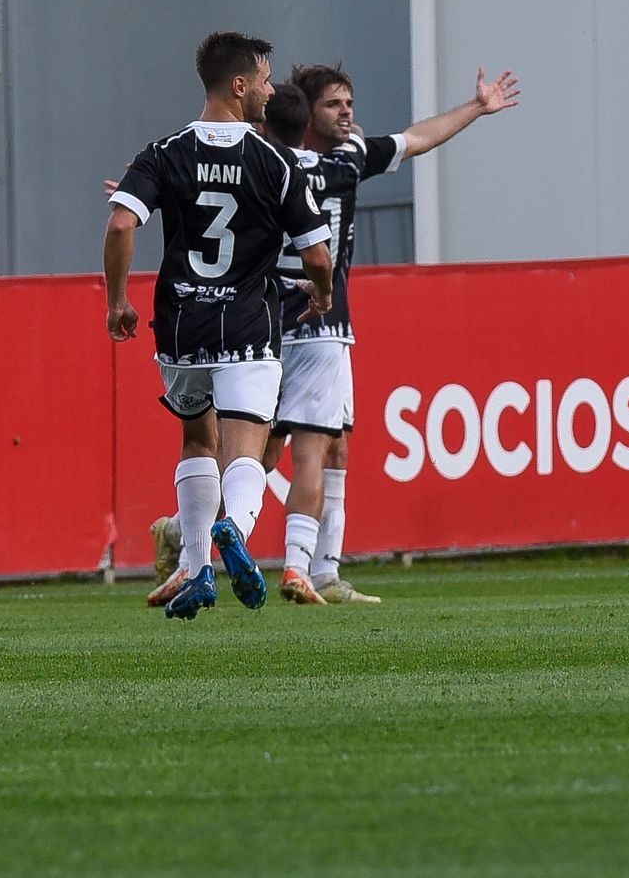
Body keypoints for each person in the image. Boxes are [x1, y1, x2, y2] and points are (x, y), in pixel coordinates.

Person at [145, 61, 520, 607]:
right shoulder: (337, 164)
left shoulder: (256, 160)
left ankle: (191, 543)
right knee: (312, 451)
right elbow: (417, 140)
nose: (347, 113)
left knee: (262, 450)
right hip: (318, 323)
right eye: (334, 105)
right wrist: (477, 109)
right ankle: (303, 568)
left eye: (349, 103)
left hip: (259, 324)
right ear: (308, 117)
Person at [105, 31, 334, 620]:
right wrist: (324, 292)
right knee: (245, 452)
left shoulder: (163, 151)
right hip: (247, 327)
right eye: (263, 79)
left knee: (195, 440)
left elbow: (120, 225)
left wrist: (117, 303)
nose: (269, 89)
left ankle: (199, 565)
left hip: (180, 325)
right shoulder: (277, 160)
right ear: (239, 85)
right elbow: (315, 255)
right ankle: (233, 529)